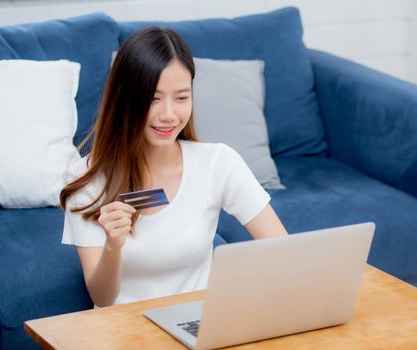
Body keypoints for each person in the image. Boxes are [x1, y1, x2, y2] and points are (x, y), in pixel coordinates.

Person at [59, 27, 289, 307]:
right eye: (153, 99)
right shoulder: (87, 178)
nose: (168, 115)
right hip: (124, 331)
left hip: (196, 326)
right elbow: (103, 298)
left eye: (181, 98)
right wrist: (112, 245)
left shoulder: (218, 162)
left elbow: (282, 249)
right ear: (125, 98)